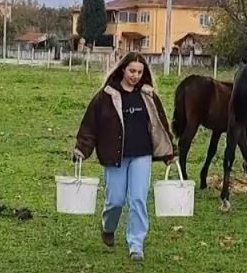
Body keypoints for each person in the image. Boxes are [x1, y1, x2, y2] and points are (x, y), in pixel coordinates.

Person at [73, 52, 176, 261]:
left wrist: (169, 153)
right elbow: (90, 125)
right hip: (115, 156)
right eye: (132, 71)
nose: (136, 76)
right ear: (122, 69)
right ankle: (108, 226)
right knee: (116, 200)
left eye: (140, 72)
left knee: (138, 199)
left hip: (142, 155)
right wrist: (81, 150)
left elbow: (160, 126)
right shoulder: (106, 96)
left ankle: (136, 244)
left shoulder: (148, 96)